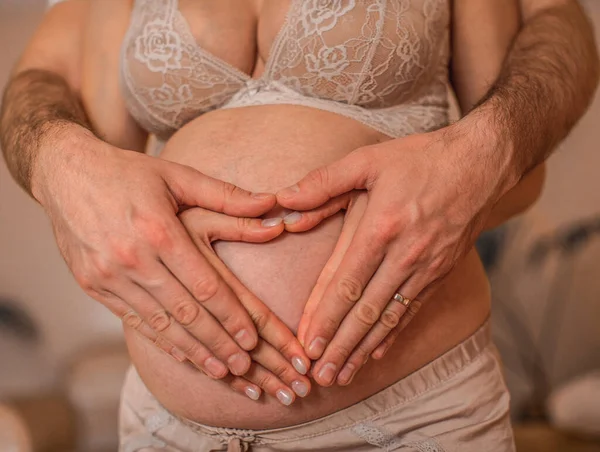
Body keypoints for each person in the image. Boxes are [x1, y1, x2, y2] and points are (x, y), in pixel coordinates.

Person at [1, 0, 598, 450]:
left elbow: (518, 166)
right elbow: (53, 104)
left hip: (411, 417)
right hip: (167, 426)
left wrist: (474, 161)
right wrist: (62, 166)